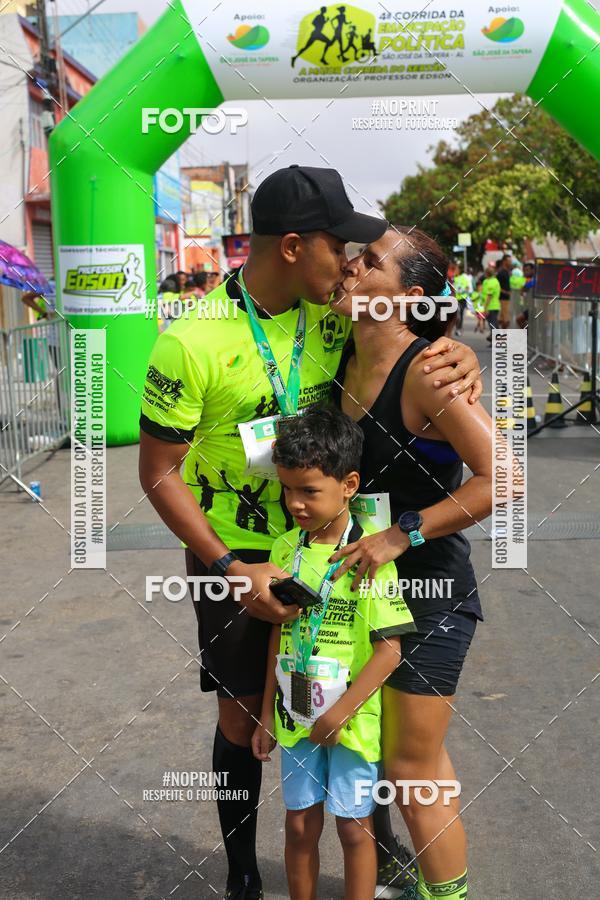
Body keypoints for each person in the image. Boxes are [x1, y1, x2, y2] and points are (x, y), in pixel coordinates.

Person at [138, 165, 483, 900]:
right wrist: (231, 565)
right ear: (293, 247)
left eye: (363, 256)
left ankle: (379, 845)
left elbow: (413, 328)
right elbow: (159, 473)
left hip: (337, 549)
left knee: (350, 703)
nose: (351, 266)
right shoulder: (191, 339)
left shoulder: (335, 312)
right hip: (234, 551)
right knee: (246, 715)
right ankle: (240, 875)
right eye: (341, 249)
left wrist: (458, 352)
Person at [328, 226, 493, 900]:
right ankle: (394, 868)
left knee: (411, 767)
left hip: (428, 592)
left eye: (369, 262)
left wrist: (404, 534)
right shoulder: (336, 348)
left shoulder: (430, 371)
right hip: (352, 592)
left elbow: (501, 478)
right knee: (361, 750)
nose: (350, 265)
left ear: (408, 295)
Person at [253, 405, 416, 900]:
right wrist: (265, 711)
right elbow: (279, 636)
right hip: (295, 714)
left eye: (309, 491)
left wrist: (340, 715)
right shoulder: (284, 550)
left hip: (353, 723)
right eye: (287, 489)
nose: (295, 503)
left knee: (353, 829)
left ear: (349, 484)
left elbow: (389, 651)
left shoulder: (368, 557)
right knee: (300, 825)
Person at [482, 265, 501, 342]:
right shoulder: (489, 281)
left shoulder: (492, 282)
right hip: (493, 305)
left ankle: (496, 340)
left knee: (492, 324)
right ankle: (495, 339)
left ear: (487, 273)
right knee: (493, 323)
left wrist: (486, 308)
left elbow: (489, 296)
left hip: (492, 306)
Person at [452, 266, 470, 337]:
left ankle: (459, 328)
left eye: (456, 270)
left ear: (459, 270)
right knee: (457, 314)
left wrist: (462, 290)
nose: (455, 271)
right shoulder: (454, 278)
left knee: (461, 314)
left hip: (462, 299)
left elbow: (467, 288)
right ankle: (457, 328)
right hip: (456, 299)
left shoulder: (464, 278)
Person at [496, 254, 512, 329]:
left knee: (502, 320)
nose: (510, 262)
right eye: (509, 261)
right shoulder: (501, 272)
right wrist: (505, 292)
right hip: (502, 299)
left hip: (506, 299)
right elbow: (497, 286)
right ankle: (499, 334)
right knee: (505, 321)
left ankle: (498, 334)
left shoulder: (507, 272)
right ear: (504, 261)